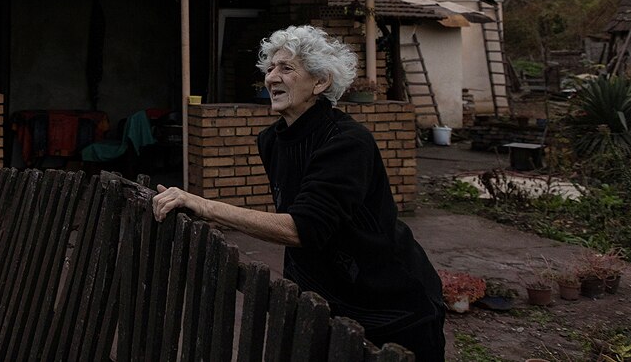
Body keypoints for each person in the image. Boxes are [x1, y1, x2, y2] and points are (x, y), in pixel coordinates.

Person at [152, 25, 445, 360]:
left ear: (320, 83)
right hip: (325, 302)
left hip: (390, 306)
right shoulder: (272, 140)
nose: (272, 77)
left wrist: (203, 205)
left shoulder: (346, 142)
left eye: (287, 68)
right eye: (270, 68)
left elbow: (301, 228)